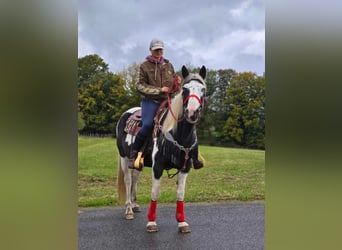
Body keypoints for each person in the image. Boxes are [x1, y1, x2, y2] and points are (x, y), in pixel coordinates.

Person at [129, 38, 203, 170]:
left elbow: (173, 84)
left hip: (169, 101)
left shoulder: (168, 65)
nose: (159, 52)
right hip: (151, 101)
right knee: (147, 125)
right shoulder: (144, 66)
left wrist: (176, 83)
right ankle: (134, 153)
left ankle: (193, 155)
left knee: (185, 121)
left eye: (161, 49)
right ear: (151, 50)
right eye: (156, 49)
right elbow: (140, 86)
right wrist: (158, 90)